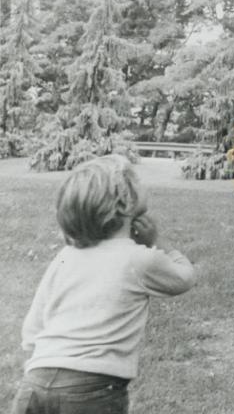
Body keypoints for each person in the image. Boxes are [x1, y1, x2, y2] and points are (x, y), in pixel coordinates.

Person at [12, 155, 197, 414]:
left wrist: (40, 368)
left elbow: (33, 325)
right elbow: (184, 278)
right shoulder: (137, 258)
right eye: (138, 181)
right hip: (91, 390)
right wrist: (157, 241)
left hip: (35, 382)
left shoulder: (66, 256)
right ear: (124, 203)